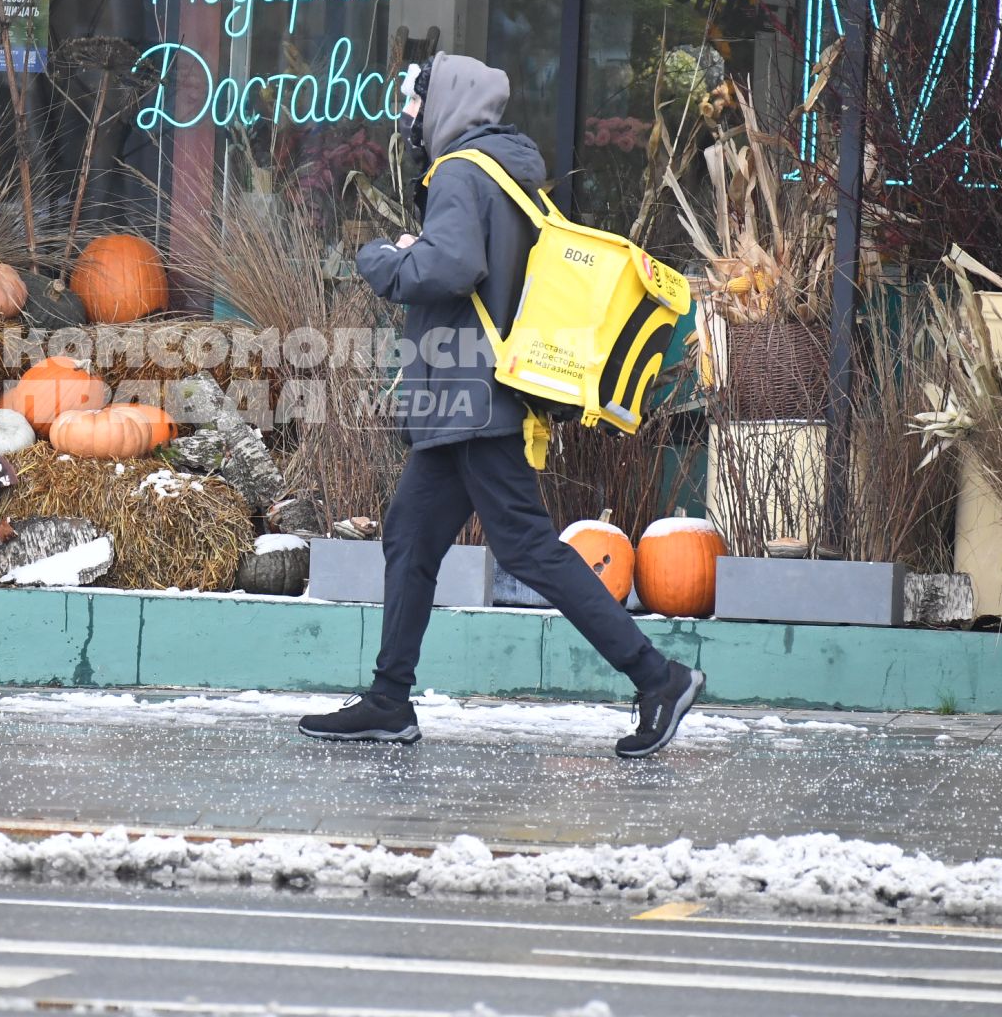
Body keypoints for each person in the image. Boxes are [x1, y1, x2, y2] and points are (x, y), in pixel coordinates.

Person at [297, 53, 706, 758]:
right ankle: (390, 701)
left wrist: (384, 259)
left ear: (445, 105)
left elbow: (451, 267)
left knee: (527, 547)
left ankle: (657, 677)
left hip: (473, 402)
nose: (407, 119)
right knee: (411, 536)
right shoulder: (507, 176)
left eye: (414, 105)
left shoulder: (460, 173)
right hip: (472, 404)